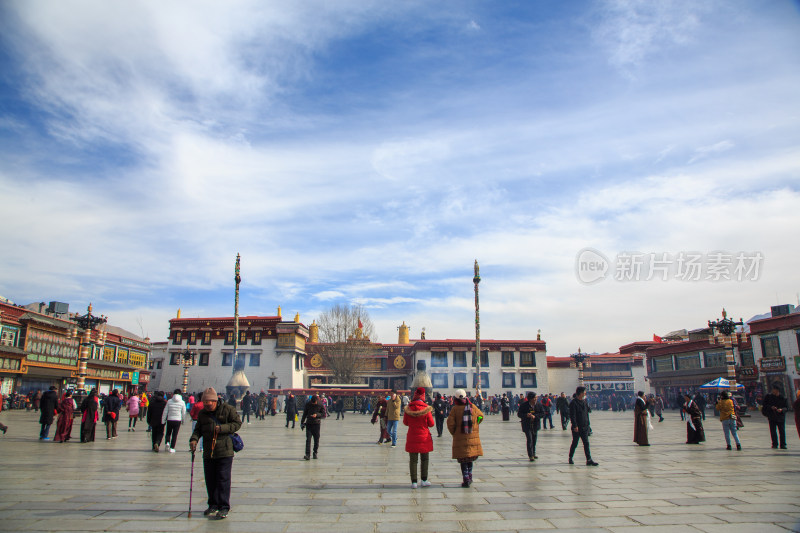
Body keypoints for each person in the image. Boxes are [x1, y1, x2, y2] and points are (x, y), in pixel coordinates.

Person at [190, 387, 242, 520]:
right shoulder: (202, 414)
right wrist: (194, 440)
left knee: (223, 479)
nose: (207, 406)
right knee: (210, 479)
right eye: (205, 403)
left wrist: (223, 428)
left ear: (215, 400)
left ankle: (224, 506)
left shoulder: (228, 409)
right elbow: (198, 430)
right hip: (209, 451)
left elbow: (237, 423)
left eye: (209, 403)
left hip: (225, 451)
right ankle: (213, 504)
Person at [447, 389, 484, 487]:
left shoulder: (455, 409)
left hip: (460, 437)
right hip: (472, 436)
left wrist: (454, 432)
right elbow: (481, 416)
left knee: (463, 459)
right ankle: (470, 476)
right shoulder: (472, 407)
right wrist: (475, 425)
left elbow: (450, 424)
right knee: (470, 458)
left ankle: (466, 478)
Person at [404, 387, 434, 488]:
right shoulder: (426, 409)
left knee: (413, 460)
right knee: (425, 459)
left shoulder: (408, 408)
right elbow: (431, 424)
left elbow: (405, 422)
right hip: (424, 437)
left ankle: (414, 482)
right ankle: (424, 480)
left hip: (412, 436)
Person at [568, 386, 598, 466]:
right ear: (580, 393)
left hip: (585, 426)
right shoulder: (573, 403)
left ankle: (589, 459)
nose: (585, 393)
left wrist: (588, 425)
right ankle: (570, 457)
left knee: (586, 443)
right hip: (577, 427)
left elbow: (587, 413)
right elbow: (572, 416)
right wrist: (575, 426)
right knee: (575, 442)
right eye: (584, 392)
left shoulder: (584, 402)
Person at [517, 391, 544, 461]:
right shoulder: (524, 405)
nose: (536, 399)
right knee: (529, 439)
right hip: (527, 425)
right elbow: (519, 414)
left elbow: (542, 413)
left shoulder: (538, 404)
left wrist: (535, 416)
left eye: (536, 397)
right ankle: (530, 455)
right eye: (534, 397)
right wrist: (526, 415)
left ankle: (533, 453)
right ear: (530, 398)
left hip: (535, 425)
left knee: (534, 439)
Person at [762, 385, 788, 449]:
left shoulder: (783, 398)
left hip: (780, 417)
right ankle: (774, 444)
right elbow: (764, 405)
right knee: (773, 431)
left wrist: (781, 410)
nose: (773, 391)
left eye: (774, 389)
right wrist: (771, 407)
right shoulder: (768, 397)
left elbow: (786, 408)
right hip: (772, 416)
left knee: (782, 431)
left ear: (777, 390)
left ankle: (783, 444)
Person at [301, 395, 325, 460]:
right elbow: (304, 414)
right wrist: (302, 422)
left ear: (316, 401)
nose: (313, 404)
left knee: (316, 439)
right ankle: (307, 454)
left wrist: (317, 415)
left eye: (314, 403)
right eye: (312, 403)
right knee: (308, 439)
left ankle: (315, 453)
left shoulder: (320, 404)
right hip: (309, 423)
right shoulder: (308, 404)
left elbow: (323, 414)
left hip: (316, 424)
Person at [163, 389, 187, 453]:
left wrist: (163, 420)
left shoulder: (169, 401)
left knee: (168, 432)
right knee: (175, 434)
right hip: (177, 420)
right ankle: (172, 447)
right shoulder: (182, 402)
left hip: (170, 419)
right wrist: (183, 421)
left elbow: (165, 411)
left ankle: (167, 442)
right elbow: (184, 412)